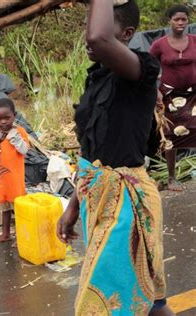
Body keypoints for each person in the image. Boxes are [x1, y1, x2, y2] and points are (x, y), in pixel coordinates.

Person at [56, 1, 172, 315]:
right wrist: (73, 204)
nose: (87, 35)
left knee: (100, 304)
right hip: (97, 201)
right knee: (149, 301)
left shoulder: (143, 71)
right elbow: (92, 154)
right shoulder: (97, 79)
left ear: (127, 34)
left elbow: (98, 39)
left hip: (127, 206)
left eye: (104, 25)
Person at [150, 4, 196, 191]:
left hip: (193, 94)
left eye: (184, 19)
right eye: (176, 19)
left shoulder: (194, 40)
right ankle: (171, 179)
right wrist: (156, 91)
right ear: (169, 20)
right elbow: (149, 69)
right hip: (169, 96)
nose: (180, 23)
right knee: (171, 136)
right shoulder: (159, 45)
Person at [0, 98, 29, 244]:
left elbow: (24, 150)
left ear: (14, 116)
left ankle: (24, 235)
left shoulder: (19, 132)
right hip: (0, 178)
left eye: (7, 118)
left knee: (18, 208)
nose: (3, 122)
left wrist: (15, 139)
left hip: (14, 178)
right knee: (4, 208)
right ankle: (5, 234)